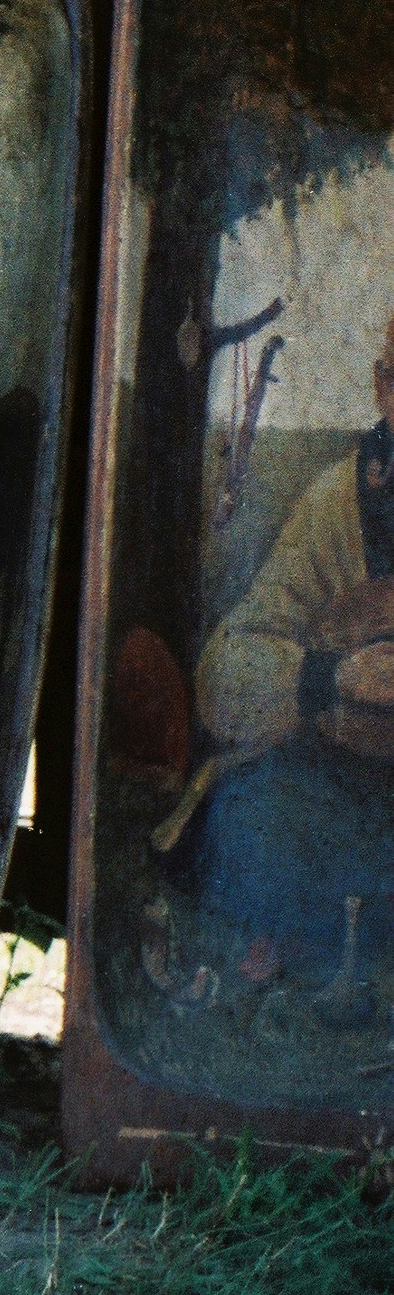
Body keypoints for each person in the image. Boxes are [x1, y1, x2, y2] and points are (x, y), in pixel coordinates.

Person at [182, 303, 394, 976]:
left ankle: (334, 925)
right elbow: (222, 673)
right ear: (381, 385)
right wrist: (330, 676)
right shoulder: (335, 503)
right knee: (241, 816)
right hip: (345, 792)